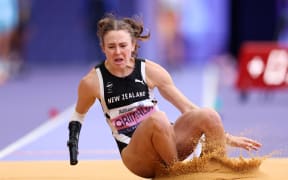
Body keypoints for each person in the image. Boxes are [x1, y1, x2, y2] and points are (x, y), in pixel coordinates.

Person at [67, 14, 262, 178]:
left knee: (209, 115)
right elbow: (78, 115)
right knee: (157, 119)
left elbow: (188, 109)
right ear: (102, 48)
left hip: (167, 142)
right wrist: (73, 144)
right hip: (137, 156)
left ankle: (214, 170)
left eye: (123, 45)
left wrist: (225, 137)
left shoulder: (150, 70)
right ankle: (175, 175)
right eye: (111, 47)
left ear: (133, 45)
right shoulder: (93, 81)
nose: (118, 52)